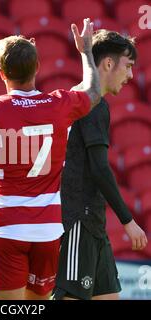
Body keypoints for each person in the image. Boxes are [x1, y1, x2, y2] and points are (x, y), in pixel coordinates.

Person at [0, 18, 101, 300]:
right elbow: (94, 92)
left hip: (6, 226)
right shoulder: (59, 103)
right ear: (37, 68)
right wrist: (86, 51)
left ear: (1, 74)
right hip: (48, 230)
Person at [52, 29, 148, 300]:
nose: (130, 76)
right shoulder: (92, 104)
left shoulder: (80, 97)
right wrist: (128, 221)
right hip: (77, 222)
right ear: (108, 64)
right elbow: (99, 168)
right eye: (127, 66)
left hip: (93, 222)